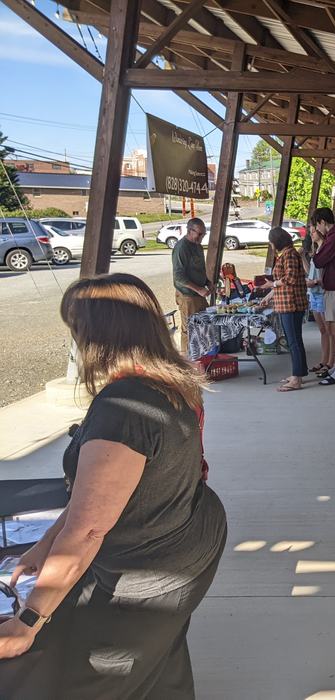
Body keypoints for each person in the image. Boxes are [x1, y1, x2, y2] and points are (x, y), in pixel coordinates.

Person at [0, 273, 226, 697]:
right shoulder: (170, 381)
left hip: (145, 569)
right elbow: (100, 496)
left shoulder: (124, 407)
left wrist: (27, 622)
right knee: (158, 667)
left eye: (76, 330)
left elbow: (88, 529)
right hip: (179, 542)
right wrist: (46, 543)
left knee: (97, 674)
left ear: (97, 334)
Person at [257, 227, 308, 392]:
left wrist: (272, 284)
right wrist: (268, 296)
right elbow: (282, 281)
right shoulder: (287, 254)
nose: (271, 246)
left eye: (271, 242)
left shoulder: (289, 255)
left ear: (276, 242)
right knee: (294, 340)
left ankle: (297, 378)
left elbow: (290, 278)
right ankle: (298, 373)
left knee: (293, 341)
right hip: (287, 303)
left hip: (291, 305)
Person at [311, 207, 335, 386]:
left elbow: (319, 260)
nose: (317, 230)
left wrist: (320, 244)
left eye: (317, 225)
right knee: (334, 330)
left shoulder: (334, 237)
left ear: (322, 222)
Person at [172, 217, 213, 358]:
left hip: (199, 294)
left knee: (203, 326)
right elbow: (179, 276)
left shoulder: (198, 246)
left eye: (203, 234)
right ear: (190, 231)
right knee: (190, 329)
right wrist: (199, 289)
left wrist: (207, 282)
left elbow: (199, 270)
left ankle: (202, 357)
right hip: (188, 295)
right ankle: (187, 360)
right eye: (199, 234)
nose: (201, 237)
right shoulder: (181, 248)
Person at [302, 236, 330, 374]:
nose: (311, 233)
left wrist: (315, 282)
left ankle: (330, 362)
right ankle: (324, 361)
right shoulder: (316, 251)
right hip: (314, 292)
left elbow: (327, 275)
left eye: (313, 230)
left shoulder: (325, 250)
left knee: (329, 330)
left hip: (321, 292)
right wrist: (302, 257)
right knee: (323, 330)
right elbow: (310, 272)